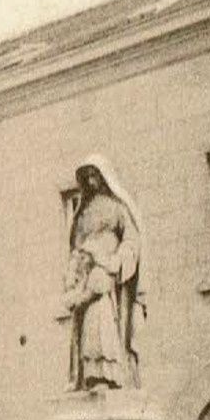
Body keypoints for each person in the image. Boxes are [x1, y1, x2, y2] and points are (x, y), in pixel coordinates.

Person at [65, 155, 144, 390]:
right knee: (87, 322)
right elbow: (75, 246)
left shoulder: (118, 208)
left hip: (109, 275)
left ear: (103, 176)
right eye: (86, 176)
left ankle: (108, 375)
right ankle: (87, 375)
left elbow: (131, 240)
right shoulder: (83, 213)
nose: (91, 181)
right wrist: (75, 269)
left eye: (95, 175)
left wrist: (116, 261)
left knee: (102, 318)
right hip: (87, 274)